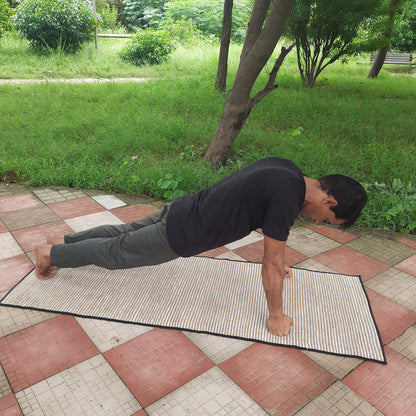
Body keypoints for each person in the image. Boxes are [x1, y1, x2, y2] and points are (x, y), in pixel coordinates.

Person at [35, 157, 367, 337]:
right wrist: (276, 316)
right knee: (117, 253)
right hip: (182, 233)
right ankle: (52, 254)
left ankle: (66, 241)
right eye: (326, 219)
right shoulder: (288, 200)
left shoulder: (288, 170)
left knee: (124, 232)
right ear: (330, 201)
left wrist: (279, 262)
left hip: (183, 208)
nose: (317, 221)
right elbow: (270, 261)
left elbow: (257, 213)